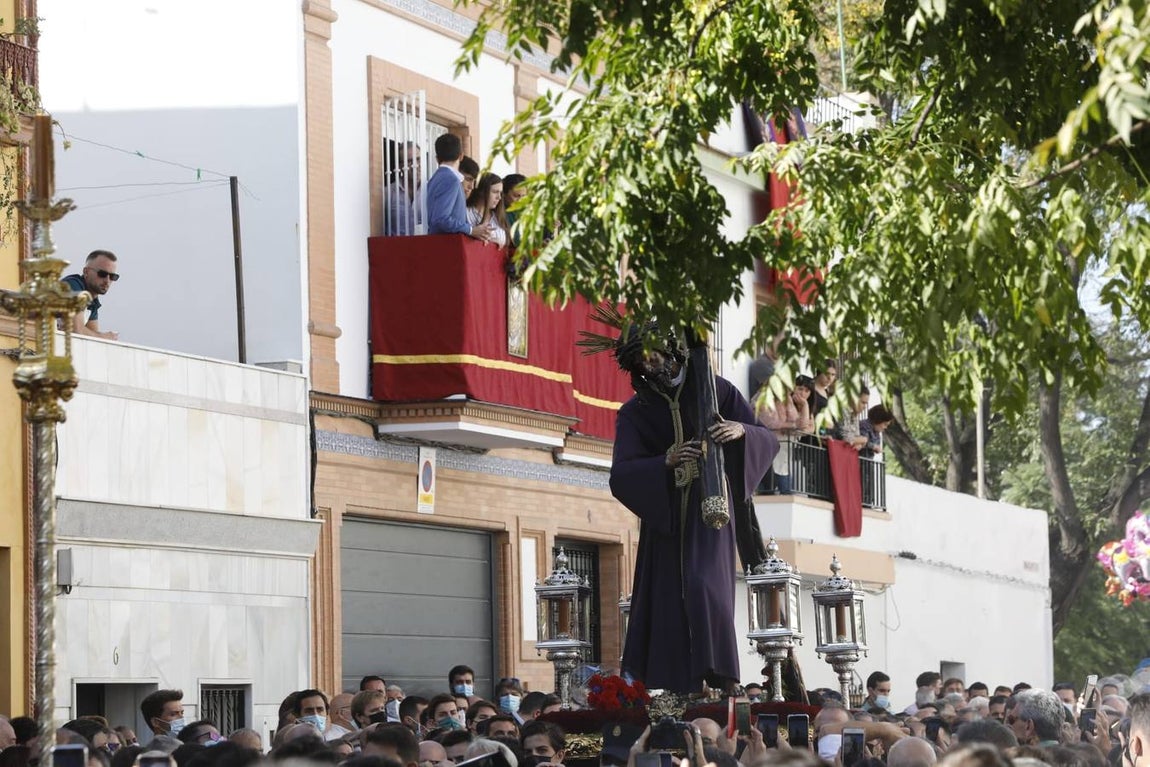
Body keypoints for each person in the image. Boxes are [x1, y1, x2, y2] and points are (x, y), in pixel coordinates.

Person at [607, 323, 778, 693]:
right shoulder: (635, 412)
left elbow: (766, 438)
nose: (650, 365)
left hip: (711, 508)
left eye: (653, 356)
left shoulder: (716, 390)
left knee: (705, 585)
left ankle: (721, 675)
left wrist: (741, 431)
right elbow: (621, 474)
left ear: (671, 349)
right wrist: (664, 462)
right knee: (668, 597)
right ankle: (679, 685)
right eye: (641, 362)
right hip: (666, 516)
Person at [426, 134, 492, 241]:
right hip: (447, 244)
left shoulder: (434, 179)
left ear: (437, 159)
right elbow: (441, 219)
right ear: (461, 156)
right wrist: (471, 230)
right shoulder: (451, 179)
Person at [756, 375, 814, 495]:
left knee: (785, 491)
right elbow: (769, 422)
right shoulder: (764, 398)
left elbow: (802, 426)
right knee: (769, 491)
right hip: (768, 450)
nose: (789, 391)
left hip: (783, 454)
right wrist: (792, 426)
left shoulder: (787, 400)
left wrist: (805, 406)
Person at [61, 250, 120, 340]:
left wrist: (102, 337)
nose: (107, 281)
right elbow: (76, 330)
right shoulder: (72, 286)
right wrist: (105, 337)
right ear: (86, 272)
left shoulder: (93, 301)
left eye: (112, 276)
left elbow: (93, 339)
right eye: (102, 274)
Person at [466, 173, 508, 248]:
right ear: (482, 192)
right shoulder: (466, 213)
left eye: (500, 193)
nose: (499, 197)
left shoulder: (498, 216)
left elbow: (503, 240)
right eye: (495, 192)